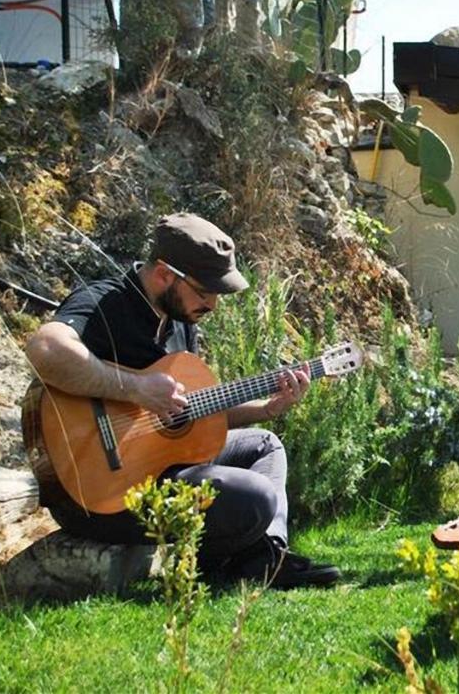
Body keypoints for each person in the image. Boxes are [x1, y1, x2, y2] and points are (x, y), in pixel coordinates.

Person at [23, 213, 340, 589]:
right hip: (96, 495)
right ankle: (237, 559)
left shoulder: (179, 322)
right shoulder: (105, 303)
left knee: (264, 445)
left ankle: (265, 558)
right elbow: (44, 349)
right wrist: (134, 388)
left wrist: (266, 409)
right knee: (254, 497)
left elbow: (188, 417)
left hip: (157, 474)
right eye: (205, 292)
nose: (214, 306)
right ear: (164, 275)